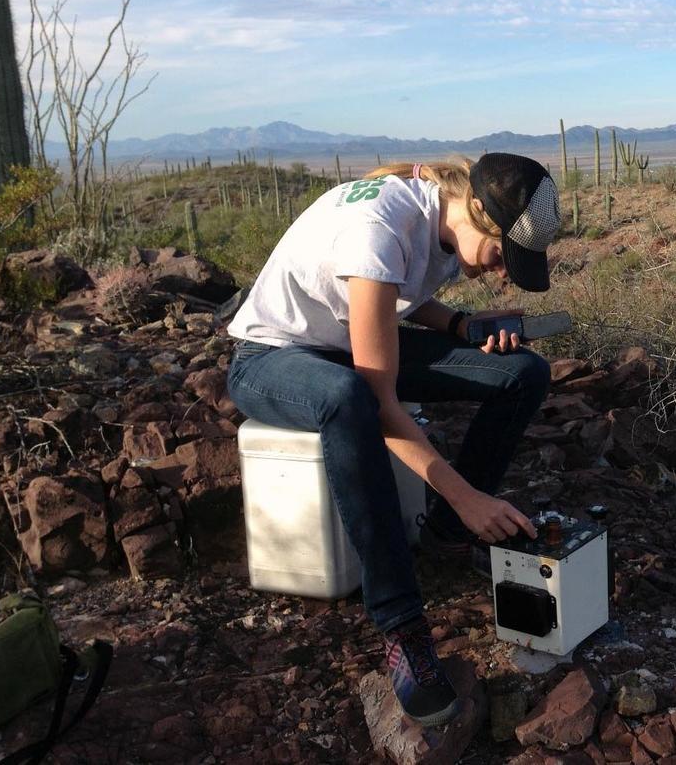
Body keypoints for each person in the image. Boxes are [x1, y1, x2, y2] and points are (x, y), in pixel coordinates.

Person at [226, 153, 560, 727]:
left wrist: (461, 326)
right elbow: (377, 400)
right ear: (476, 210)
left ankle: (448, 538)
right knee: (347, 400)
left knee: (523, 373)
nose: (503, 271)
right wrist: (465, 492)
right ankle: (402, 627)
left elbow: (398, 295)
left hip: (344, 347)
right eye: (503, 255)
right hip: (272, 358)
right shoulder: (381, 227)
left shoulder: (443, 220)